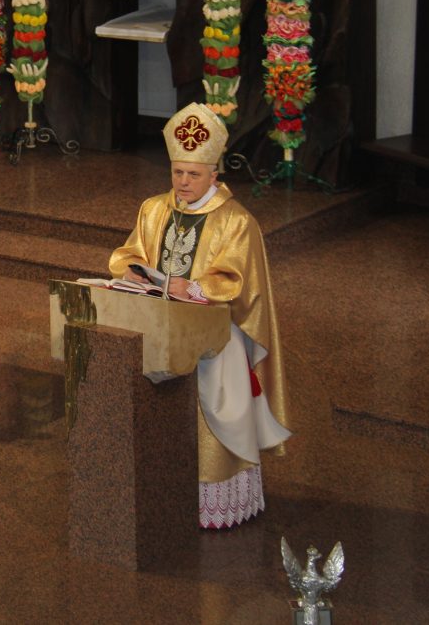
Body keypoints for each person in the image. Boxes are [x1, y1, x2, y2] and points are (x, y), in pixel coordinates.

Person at [108, 102, 291, 529]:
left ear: (214, 175)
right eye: (177, 172)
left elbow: (238, 281)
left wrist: (193, 288)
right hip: (160, 327)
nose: (183, 182)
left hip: (216, 333)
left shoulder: (236, 222)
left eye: (193, 174)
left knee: (215, 405)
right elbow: (129, 252)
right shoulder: (154, 209)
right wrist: (132, 271)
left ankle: (214, 501)